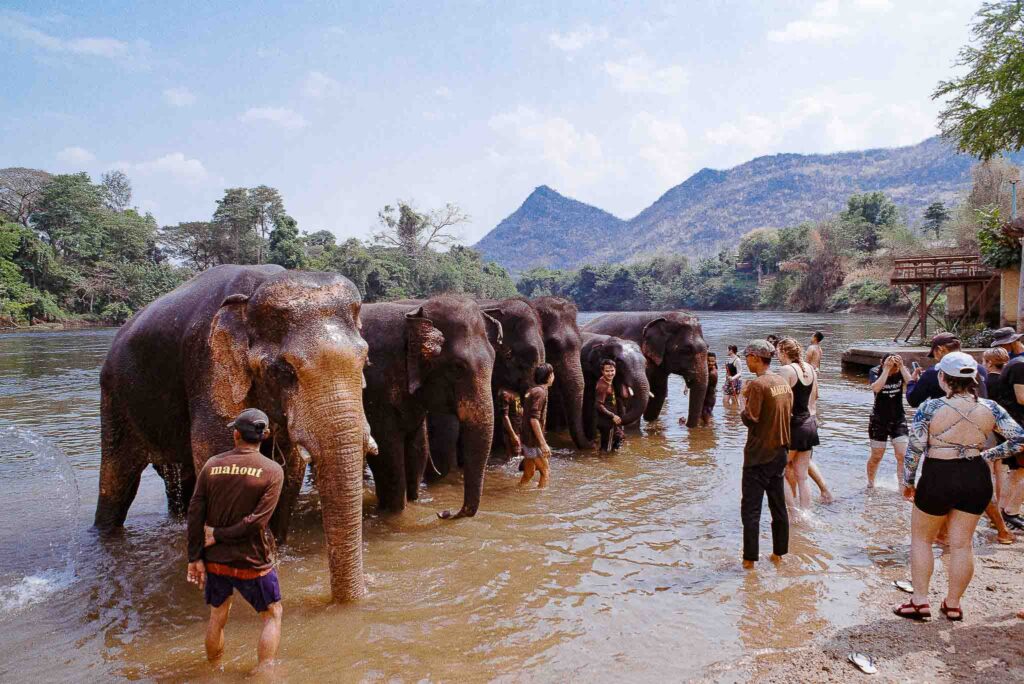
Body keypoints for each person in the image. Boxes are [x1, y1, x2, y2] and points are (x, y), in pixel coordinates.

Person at [894, 352, 1024, 621]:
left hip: (938, 474)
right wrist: (988, 455)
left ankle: (919, 602)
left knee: (922, 540)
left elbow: (914, 450)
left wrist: (907, 481)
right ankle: (953, 604)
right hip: (975, 474)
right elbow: (1019, 438)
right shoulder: (991, 408)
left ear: (943, 378)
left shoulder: (929, 409)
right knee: (962, 544)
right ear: (975, 378)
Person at [186, 408, 285, 671]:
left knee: (217, 615)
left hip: (216, 560)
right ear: (263, 436)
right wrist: (218, 535)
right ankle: (264, 671)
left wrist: (194, 557)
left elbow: (195, 512)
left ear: (236, 435)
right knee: (272, 615)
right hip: (252, 561)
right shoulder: (272, 471)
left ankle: (213, 671)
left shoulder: (212, 465)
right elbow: (257, 523)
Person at [907, 332, 1011, 542]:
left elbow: (913, 403)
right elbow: (1018, 437)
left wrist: (908, 480)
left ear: (941, 351)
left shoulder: (933, 376)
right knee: (978, 482)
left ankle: (944, 535)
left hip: (944, 442)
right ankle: (1001, 531)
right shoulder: (979, 369)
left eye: (934, 353)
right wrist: (993, 453)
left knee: (940, 495)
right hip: (980, 433)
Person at [739, 339, 793, 568]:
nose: (746, 361)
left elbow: (750, 419)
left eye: (748, 357)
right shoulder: (783, 382)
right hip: (779, 452)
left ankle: (749, 560)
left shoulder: (757, 385)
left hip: (758, 456)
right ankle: (778, 554)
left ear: (756, 358)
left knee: (750, 510)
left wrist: (743, 400)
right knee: (778, 506)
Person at [777, 338, 822, 510]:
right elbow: (815, 398)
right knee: (802, 476)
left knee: (778, 472)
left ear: (783, 351)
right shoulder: (810, 368)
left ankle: (792, 513)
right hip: (810, 424)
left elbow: (781, 403)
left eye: (777, 352)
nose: (777, 356)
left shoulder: (786, 370)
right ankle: (806, 514)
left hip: (794, 425)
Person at [990, 330, 1024, 530]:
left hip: (1011, 422)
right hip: (1017, 423)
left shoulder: (1017, 363)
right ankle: (1011, 512)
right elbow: (1021, 398)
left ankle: (1005, 511)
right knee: (1019, 469)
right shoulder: (1018, 365)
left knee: (1017, 470)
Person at [866, 354, 912, 488]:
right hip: (878, 420)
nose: (894, 370)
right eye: (892, 367)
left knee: (902, 455)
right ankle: (870, 484)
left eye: (895, 367)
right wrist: (886, 369)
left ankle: (901, 486)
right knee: (877, 456)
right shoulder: (875, 371)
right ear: (882, 363)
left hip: (898, 419)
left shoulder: (901, 370)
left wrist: (902, 367)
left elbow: (911, 384)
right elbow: (876, 388)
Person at [907, 333, 988, 407]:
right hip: (977, 416)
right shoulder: (980, 369)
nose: (935, 358)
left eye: (933, 354)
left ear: (939, 349)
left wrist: (912, 382)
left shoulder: (934, 372)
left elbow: (914, 401)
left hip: (943, 417)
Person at [520, 363, 555, 487]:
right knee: (545, 472)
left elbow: (525, 413)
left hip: (526, 438)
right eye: (552, 374)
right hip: (533, 441)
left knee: (528, 473)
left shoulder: (531, 390)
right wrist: (543, 443)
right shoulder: (541, 393)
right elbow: (534, 419)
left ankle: (520, 492)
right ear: (549, 376)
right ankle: (541, 502)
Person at [595, 359, 624, 452]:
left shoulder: (608, 381)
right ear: (602, 371)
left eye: (612, 371)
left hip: (608, 420)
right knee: (606, 448)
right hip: (606, 421)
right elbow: (598, 404)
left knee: (619, 436)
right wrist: (613, 416)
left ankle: (611, 461)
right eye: (607, 371)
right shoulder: (602, 386)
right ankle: (605, 464)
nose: (610, 373)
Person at [498, 388, 523, 458]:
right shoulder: (505, 394)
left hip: (518, 427)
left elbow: (518, 410)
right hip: (512, 429)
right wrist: (513, 435)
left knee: (518, 455)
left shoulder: (516, 393)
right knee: (513, 456)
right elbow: (505, 416)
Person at [701, 352, 719, 426]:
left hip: (708, 399)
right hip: (708, 398)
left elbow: (703, 387)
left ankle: (708, 435)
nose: (711, 363)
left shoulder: (712, 374)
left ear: (715, 361)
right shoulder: (709, 370)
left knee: (707, 422)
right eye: (709, 361)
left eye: (713, 361)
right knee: (705, 417)